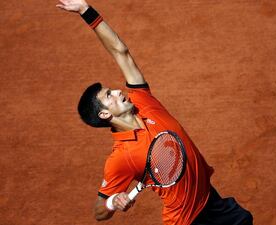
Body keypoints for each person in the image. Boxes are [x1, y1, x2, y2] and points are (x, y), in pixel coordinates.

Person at [56, 0, 253, 224]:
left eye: (112, 90)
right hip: (188, 221)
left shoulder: (142, 100)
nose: (118, 91)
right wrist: (113, 202)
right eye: (109, 96)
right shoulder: (122, 157)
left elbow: (122, 53)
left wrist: (86, 11)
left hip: (211, 200)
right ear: (104, 115)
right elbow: (99, 211)